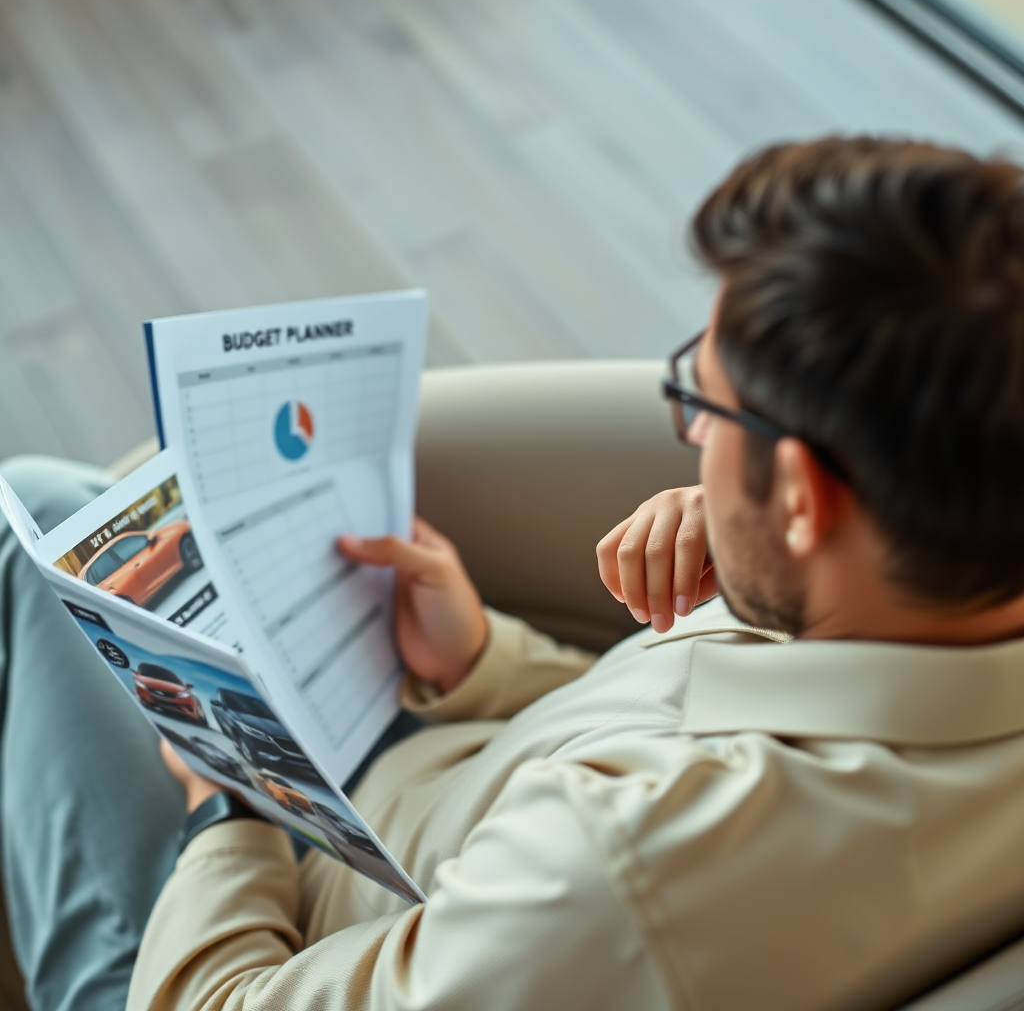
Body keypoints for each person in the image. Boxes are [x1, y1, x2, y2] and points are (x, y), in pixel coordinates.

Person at [4, 136, 1024, 1011]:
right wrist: (485, 662)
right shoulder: (927, 597)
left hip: (255, 935)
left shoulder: (621, 875)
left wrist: (232, 802)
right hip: (437, 804)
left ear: (804, 497)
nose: (691, 449)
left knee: (32, 516)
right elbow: (646, 734)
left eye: (702, 409)